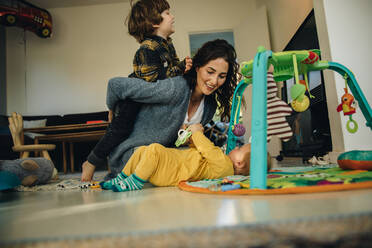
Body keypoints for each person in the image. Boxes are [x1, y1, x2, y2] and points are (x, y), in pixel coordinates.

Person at [84, 39, 240, 181]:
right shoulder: (176, 88)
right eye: (210, 72)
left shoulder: (209, 107)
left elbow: (175, 143)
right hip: (133, 156)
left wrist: (188, 139)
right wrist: (112, 108)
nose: (214, 81)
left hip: (163, 161)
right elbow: (115, 85)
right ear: (198, 67)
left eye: (222, 76)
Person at [81, 0, 192, 181]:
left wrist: (182, 67)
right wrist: (179, 69)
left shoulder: (167, 44)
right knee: (119, 130)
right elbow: (152, 80)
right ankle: (92, 161)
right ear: (154, 22)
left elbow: (171, 72)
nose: (172, 17)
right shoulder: (147, 48)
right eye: (167, 13)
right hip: (133, 98)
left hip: (147, 97)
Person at [99, 123, 272, 192]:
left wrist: (197, 133)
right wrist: (191, 139)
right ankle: (122, 177)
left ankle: (136, 181)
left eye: (240, 148)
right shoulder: (219, 162)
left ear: (240, 163)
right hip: (172, 162)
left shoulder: (225, 166)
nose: (236, 147)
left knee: (153, 150)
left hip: (171, 171)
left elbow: (206, 148)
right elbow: (199, 152)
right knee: (143, 150)